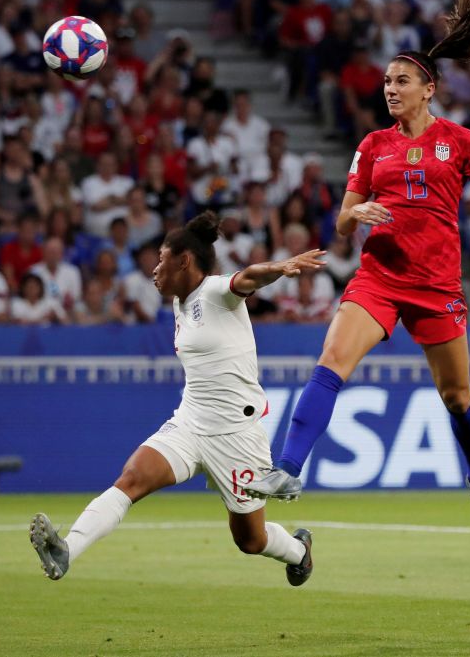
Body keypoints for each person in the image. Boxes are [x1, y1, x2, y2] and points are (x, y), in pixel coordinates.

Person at [243, 0, 470, 536]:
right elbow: (342, 221)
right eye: (386, 81)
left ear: (430, 89)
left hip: (437, 285)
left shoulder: (462, 141)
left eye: (401, 81)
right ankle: (287, 468)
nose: (390, 89)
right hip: (378, 278)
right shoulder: (372, 145)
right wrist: (358, 213)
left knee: (457, 397)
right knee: (332, 359)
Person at [29, 212, 323, 585]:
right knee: (132, 478)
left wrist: (278, 268)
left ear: (184, 261)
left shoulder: (215, 292)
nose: (155, 269)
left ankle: (299, 552)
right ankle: (66, 549)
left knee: (250, 540)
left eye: (161, 259)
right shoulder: (179, 304)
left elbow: (248, 278)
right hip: (189, 423)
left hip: (235, 435)